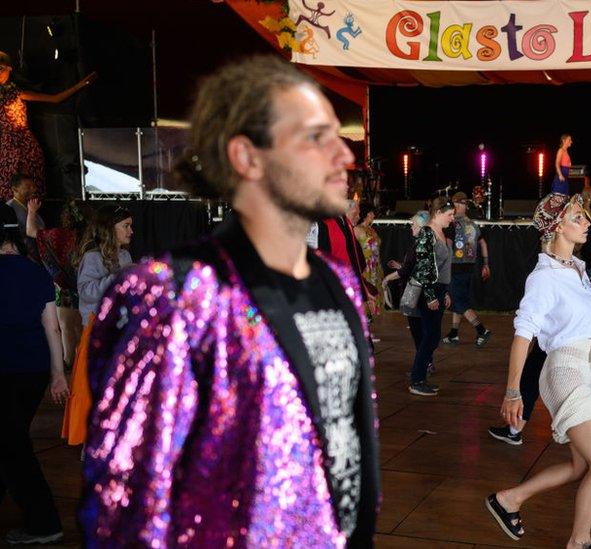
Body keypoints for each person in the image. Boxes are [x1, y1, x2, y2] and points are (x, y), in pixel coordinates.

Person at [79, 55, 380, 546]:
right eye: (315, 138)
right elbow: (127, 499)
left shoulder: (337, 281)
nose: (344, 157)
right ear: (247, 157)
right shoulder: (177, 295)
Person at [486, 193, 591, 548]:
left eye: (585, 217)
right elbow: (522, 336)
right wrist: (513, 391)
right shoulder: (543, 277)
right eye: (578, 217)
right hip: (564, 372)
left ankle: (508, 500)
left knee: (580, 467)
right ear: (556, 227)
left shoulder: (577, 268)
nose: (587, 223)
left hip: (583, 367)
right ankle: (580, 542)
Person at [0, 228, 69, 545]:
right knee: (11, 442)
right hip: (35, 371)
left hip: (6, 370)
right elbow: (52, 327)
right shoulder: (37, 272)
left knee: (14, 448)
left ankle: (44, 523)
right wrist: (58, 373)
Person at [61, 205, 133, 447]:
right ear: (109, 229)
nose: (131, 231)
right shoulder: (93, 257)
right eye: (126, 226)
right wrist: (119, 278)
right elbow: (87, 291)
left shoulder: (124, 255)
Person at [0, 51, 96, 200]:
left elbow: (55, 99)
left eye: (1, 69)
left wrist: (80, 85)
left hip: (24, 144)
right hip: (6, 146)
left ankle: (32, 214)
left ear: (9, 69)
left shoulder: (16, 92)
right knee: (8, 186)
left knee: (29, 184)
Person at [27, 198, 88, 373]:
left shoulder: (58, 235)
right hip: (89, 288)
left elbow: (31, 231)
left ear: (66, 217)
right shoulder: (94, 236)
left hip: (65, 288)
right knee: (84, 327)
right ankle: (83, 362)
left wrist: (31, 211)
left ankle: (69, 362)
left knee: (67, 327)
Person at [408, 196, 454, 396]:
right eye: (449, 214)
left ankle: (419, 377)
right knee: (430, 336)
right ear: (437, 213)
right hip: (430, 290)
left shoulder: (441, 234)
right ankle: (417, 379)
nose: (452, 218)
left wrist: (445, 291)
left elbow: (444, 267)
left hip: (439, 289)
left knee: (432, 336)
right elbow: (424, 265)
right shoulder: (427, 234)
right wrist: (430, 295)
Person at [384, 211, 431, 374]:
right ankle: (426, 363)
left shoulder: (418, 245)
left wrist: (388, 278)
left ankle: (423, 366)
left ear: (420, 227)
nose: (411, 227)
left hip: (417, 293)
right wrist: (401, 266)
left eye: (413, 224)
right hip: (425, 291)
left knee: (419, 331)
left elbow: (406, 271)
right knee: (424, 330)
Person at [443, 191, 492, 348]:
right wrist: (486, 264)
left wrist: (443, 265)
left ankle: (481, 330)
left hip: (455, 267)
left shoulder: (451, 224)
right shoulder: (473, 224)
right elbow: (483, 244)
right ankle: (454, 333)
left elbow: (449, 246)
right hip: (469, 268)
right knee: (460, 299)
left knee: (458, 301)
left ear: (456, 205)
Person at [354, 201, 383, 321]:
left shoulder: (372, 230)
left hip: (375, 267)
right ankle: (364, 325)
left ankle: (368, 324)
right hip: (365, 267)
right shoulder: (357, 229)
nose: (374, 215)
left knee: (374, 293)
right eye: (372, 213)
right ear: (366, 214)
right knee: (366, 294)